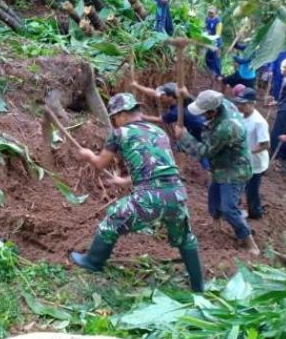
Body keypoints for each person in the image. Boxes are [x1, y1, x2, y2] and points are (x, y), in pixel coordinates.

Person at [70, 93, 204, 292]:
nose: (115, 122)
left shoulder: (120, 133)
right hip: (176, 192)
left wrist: (88, 155)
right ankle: (198, 286)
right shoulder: (158, 132)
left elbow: (99, 164)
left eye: (114, 117)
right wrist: (123, 181)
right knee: (185, 238)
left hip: (150, 195)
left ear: (122, 114)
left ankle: (93, 261)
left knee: (112, 220)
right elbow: (156, 167)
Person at [174, 90, 260, 255]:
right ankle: (216, 226)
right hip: (220, 166)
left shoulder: (226, 128)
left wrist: (184, 137)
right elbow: (207, 102)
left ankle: (249, 241)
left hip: (234, 170)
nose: (202, 116)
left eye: (204, 113)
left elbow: (204, 152)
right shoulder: (223, 104)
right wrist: (189, 96)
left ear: (212, 112)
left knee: (229, 208)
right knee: (213, 198)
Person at [131, 81, 210, 169]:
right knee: (180, 147)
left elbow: (160, 120)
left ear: (171, 97)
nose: (160, 97)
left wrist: (141, 116)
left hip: (199, 131)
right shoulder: (184, 99)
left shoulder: (176, 111)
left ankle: (209, 170)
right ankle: (180, 170)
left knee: (202, 155)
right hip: (200, 126)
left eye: (162, 96)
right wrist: (137, 85)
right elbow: (154, 93)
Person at [233, 88, 270, 219]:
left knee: (251, 190)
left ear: (252, 103)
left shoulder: (259, 122)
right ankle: (235, 208)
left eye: (243, 104)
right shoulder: (241, 116)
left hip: (255, 163)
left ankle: (255, 213)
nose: (240, 106)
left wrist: (247, 152)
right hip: (243, 159)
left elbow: (265, 144)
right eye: (239, 103)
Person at [268, 59, 286, 156]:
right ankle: (280, 154)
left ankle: (273, 154)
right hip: (285, 109)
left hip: (285, 112)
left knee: (276, 133)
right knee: (283, 133)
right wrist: (277, 102)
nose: (283, 69)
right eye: (282, 67)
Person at [204, 6, 223, 78]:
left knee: (216, 59)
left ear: (215, 13)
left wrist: (210, 38)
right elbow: (206, 28)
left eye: (211, 13)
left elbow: (218, 34)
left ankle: (219, 74)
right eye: (209, 12)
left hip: (216, 43)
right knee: (208, 57)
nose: (210, 14)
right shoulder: (207, 19)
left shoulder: (218, 22)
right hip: (209, 42)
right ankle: (212, 71)